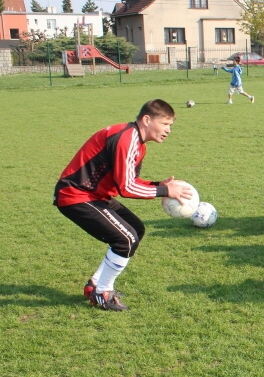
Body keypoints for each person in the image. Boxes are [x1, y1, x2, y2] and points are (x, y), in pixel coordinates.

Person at [53, 99, 195, 311]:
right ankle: (102, 293)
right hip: (76, 195)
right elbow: (127, 188)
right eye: (165, 124)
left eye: (170, 126)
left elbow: (130, 180)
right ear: (147, 119)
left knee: (136, 229)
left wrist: (158, 185)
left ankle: (95, 284)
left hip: (95, 195)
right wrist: (166, 191)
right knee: (126, 239)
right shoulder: (126, 139)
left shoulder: (137, 143)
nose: (168, 130)